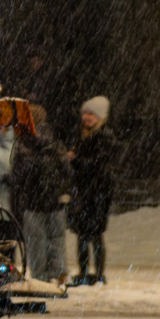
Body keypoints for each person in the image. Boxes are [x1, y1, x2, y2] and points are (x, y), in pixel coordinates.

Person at [9, 103, 72, 284]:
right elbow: (66, 170)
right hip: (54, 201)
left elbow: (18, 175)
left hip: (33, 201)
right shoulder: (56, 142)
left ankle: (40, 277)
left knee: (36, 242)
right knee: (57, 240)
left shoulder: (23, 143)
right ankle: (59, 273)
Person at [68, 95, 119, 286]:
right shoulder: (82, 135)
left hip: (97, 193)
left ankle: (97, 273)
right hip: (84, 192)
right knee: (82, 234)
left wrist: (76, 159)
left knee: (94, 234)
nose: (88, 117)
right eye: (86, 113)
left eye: (92, 114)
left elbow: (99, 164)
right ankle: (84, 272)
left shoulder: (104, 136)